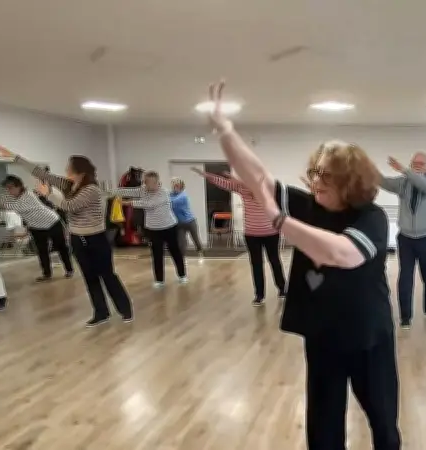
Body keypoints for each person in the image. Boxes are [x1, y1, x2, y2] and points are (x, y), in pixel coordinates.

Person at [206, 80, 400, 450]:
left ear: (349, 181)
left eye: (327, 176)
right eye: (315, 172)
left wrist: (280, 220)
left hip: (366, 336)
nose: (316, 182)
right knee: (323, 428)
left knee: (383, 423)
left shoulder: (370, 217)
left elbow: (340, 254)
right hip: (323, 334)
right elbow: (256, 176)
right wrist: (226, 131)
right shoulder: (307, 205)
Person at [0, 145, 133, 327]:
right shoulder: (68, 185)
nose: (66, 169)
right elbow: (42, 174)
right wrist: (15, 158)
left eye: (69, 166)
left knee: (107, 275)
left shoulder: (91, 189)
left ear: (80, 171)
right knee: (89, 277)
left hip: (96, 239)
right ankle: (101, 313)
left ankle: (125, 309)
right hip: (78, 239)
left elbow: (70, 206)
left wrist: (49, 194)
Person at [191, 168, 286, 305]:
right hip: (252, 234)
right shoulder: (241, 187)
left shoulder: (269, 188)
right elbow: (222, 182)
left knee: (274, 260)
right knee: (256, 264)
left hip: (271, 233)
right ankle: (259, 294)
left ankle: (282, 288)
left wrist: (239, 180)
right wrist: (207, 175)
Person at [380, 152, 426, 329]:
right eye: (414, 163)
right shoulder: (403, 182)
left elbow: (425, 187)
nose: (417, 166)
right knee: (405, 277)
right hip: (406, 238)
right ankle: (405, 316)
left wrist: (404, 170)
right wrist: (365, 166)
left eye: (421, 163)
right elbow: (383, 182)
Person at [0, 175, 74, 282]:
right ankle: (47, 274)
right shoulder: (8, 197)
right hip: (35, 226)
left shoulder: (29, 196)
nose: (9, 191)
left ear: (19, 186)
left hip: (52, 222)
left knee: (61, 247)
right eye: (7, 188)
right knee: (42, 250)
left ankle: (69, 270)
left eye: (11, 188)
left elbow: (16, 207)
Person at [113, 172, 187, 288]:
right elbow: (128, 191)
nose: (148, 185)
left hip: (169, 227)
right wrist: (110, 192)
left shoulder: (163, 193)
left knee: (175, 251)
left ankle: (182, 275)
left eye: (151, 182)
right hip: (153, 229)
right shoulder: (143, 190)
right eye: (146, 182)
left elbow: (149, 204)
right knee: (157, 254)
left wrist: (128, 203)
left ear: (157, 182)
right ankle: (159, 280)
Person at [169, 177, 204, 256]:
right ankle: (181, 258)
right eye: (174, 185)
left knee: (196, 239)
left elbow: (173, 202)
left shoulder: (183, 195)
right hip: (179, 223)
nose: (175, 187)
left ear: (181, 186)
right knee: (181, 242)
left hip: (190, 222)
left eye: (177, 185)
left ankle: (200, 252)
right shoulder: (170, 195)